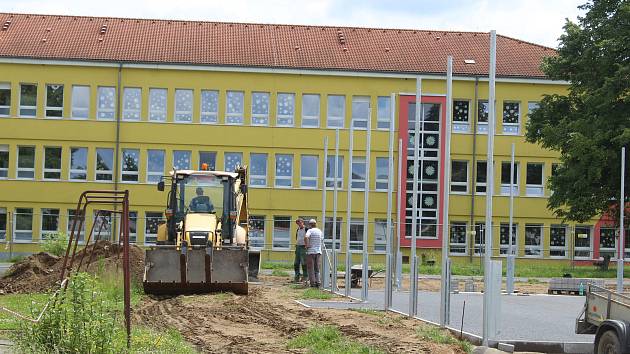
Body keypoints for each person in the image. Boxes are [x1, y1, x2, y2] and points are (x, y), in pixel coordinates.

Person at [304, 219, 322, 288]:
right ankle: (318, 282)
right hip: (318, 252)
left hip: (311, 252)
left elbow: (306, 237)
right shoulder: (319, 231)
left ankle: (313, 283)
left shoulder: (310, 230)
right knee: (317, 268)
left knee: (311, 268)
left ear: (310, 224)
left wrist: (307, 245)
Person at [293, 218, 308, 283]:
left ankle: (305, 276)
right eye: (298, 223)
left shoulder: (307, 229)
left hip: (303, 247)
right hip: (298, 247)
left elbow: (308, 238)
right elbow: (297, 238)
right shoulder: (298, 229)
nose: (299, 224)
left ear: (302, 222)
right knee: (296, 263)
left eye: (300, 223)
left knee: (304, 263)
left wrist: (306, 245)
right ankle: (297, 277)